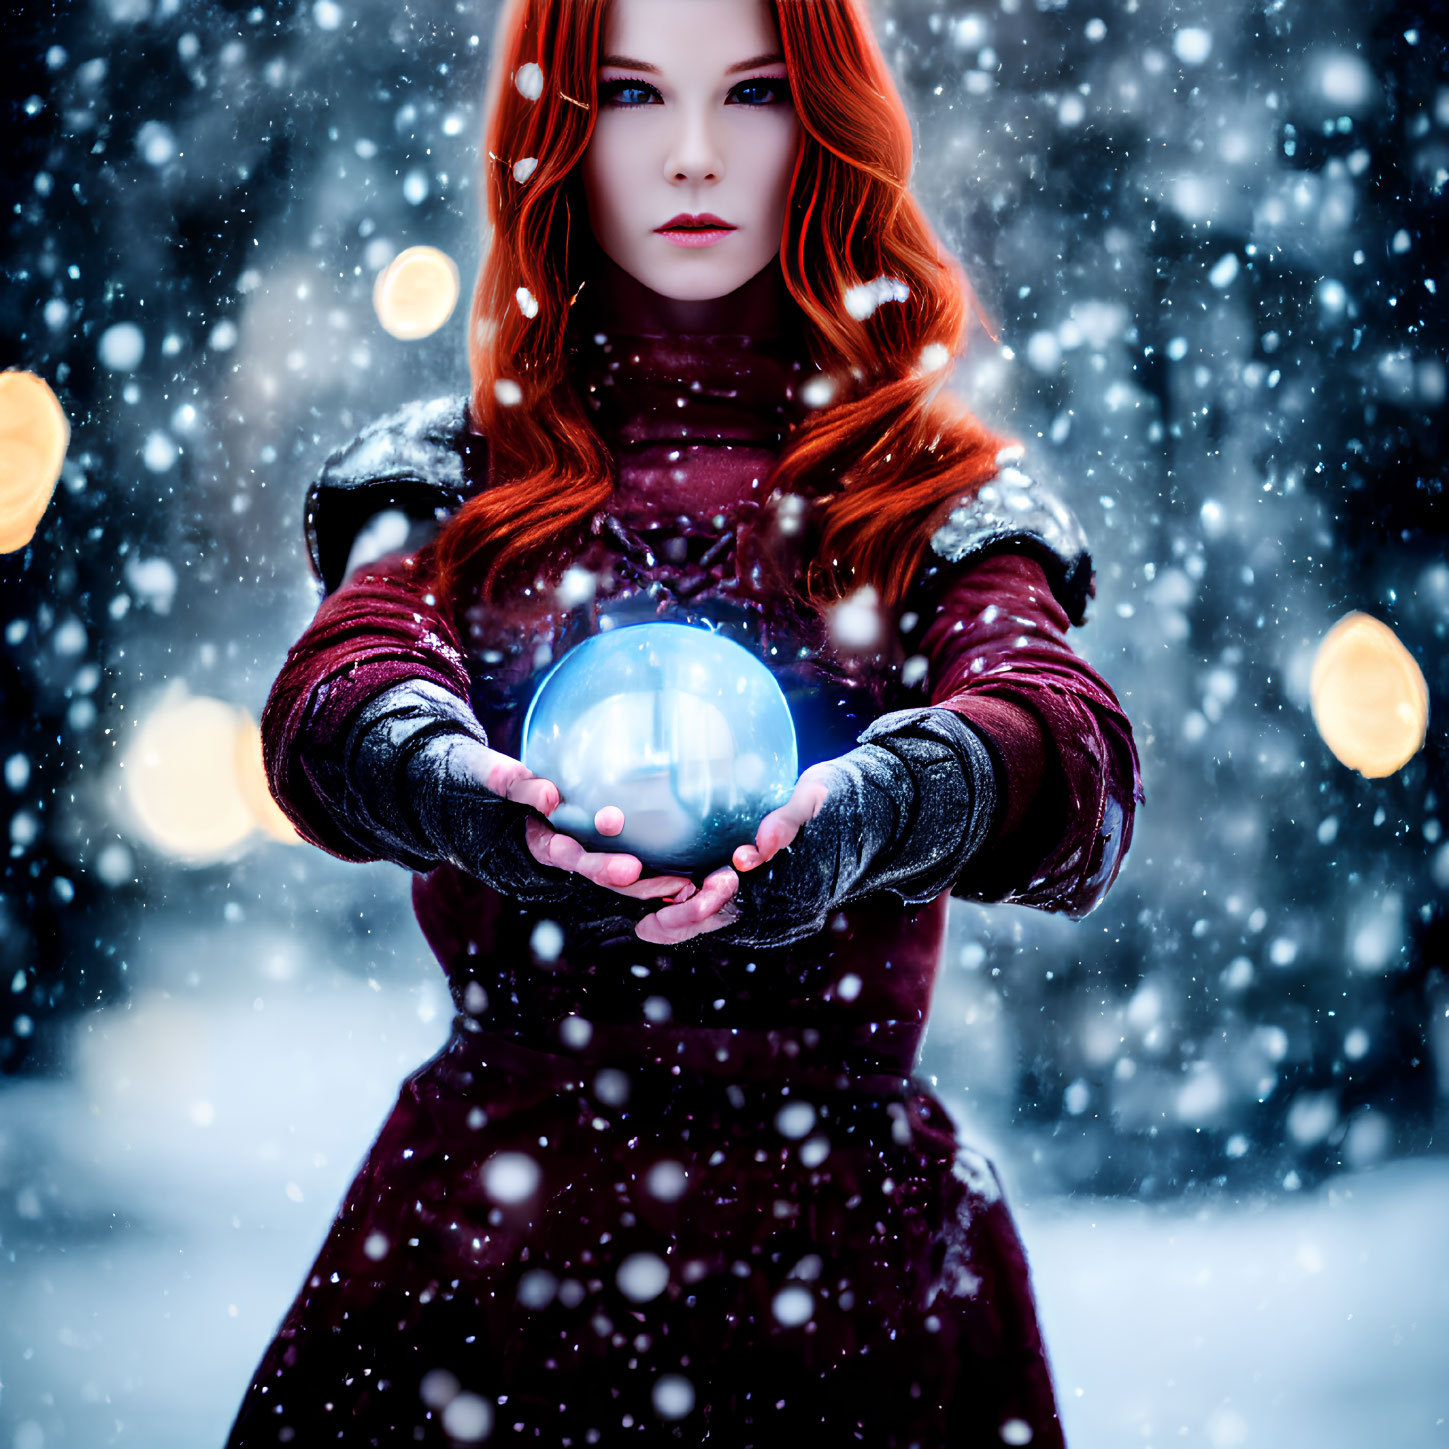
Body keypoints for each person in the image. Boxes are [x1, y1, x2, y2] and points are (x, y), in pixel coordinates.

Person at [228, 0, 1141, 1442]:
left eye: (758, 93)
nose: (698, 157)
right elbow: (338, 691)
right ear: (559, 127)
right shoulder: (449, 481)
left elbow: (1063, 747)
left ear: (827, 116)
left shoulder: (931, 494)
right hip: (487, 1258)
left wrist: (881, 808)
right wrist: (452, 783)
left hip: (840, 1277)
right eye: (635, 94)